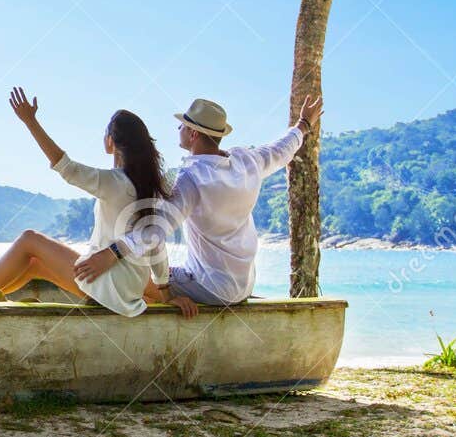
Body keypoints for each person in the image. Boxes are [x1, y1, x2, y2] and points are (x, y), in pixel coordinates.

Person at [0, 87, 179, 316]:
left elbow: (66, 168)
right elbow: (157, 246)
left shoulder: (115, 181)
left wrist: (31, 122)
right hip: (126, 285)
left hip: (108, 284)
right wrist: (166, 292)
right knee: (35, 264)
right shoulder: (151, 187)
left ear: (111, 142)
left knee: (29, 239)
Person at [74, 95, 324, 316]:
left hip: (211, 288)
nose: (179, 127)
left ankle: (153, 313)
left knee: (141, 275)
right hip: (242, 284)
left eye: (183, 125)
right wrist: (303, 125)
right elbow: (282, 150)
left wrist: (112, 253)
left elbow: (155, 230)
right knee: (158, 272)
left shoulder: (192, 179)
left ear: (193, 134)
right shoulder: (247, 160)